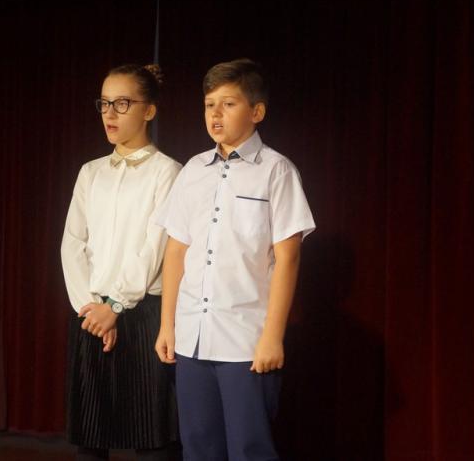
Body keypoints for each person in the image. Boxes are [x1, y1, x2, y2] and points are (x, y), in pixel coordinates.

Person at [154, 58, 315, 460]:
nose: (216, 114)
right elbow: (176, 251)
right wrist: (167, 324)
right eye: (209, 105)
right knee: (198, 446)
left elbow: (288, 258)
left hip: (245, 341)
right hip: (192, 337)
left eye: (228, 104)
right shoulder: (193, 169)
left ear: (256, 112)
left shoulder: (277, 171)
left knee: (249, 449)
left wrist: (272, 336)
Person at [61, 63, 182, 461]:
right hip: (91, 314)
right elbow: (72, 243)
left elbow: (154, 248)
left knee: (152, 435)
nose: (109, 113)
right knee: (91, 435)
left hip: (143, 314)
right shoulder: (91, 172)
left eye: (122, 103)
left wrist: (115, 306)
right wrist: (91, 309)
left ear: (149, 110)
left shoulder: (168, 172)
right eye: (104, 103)